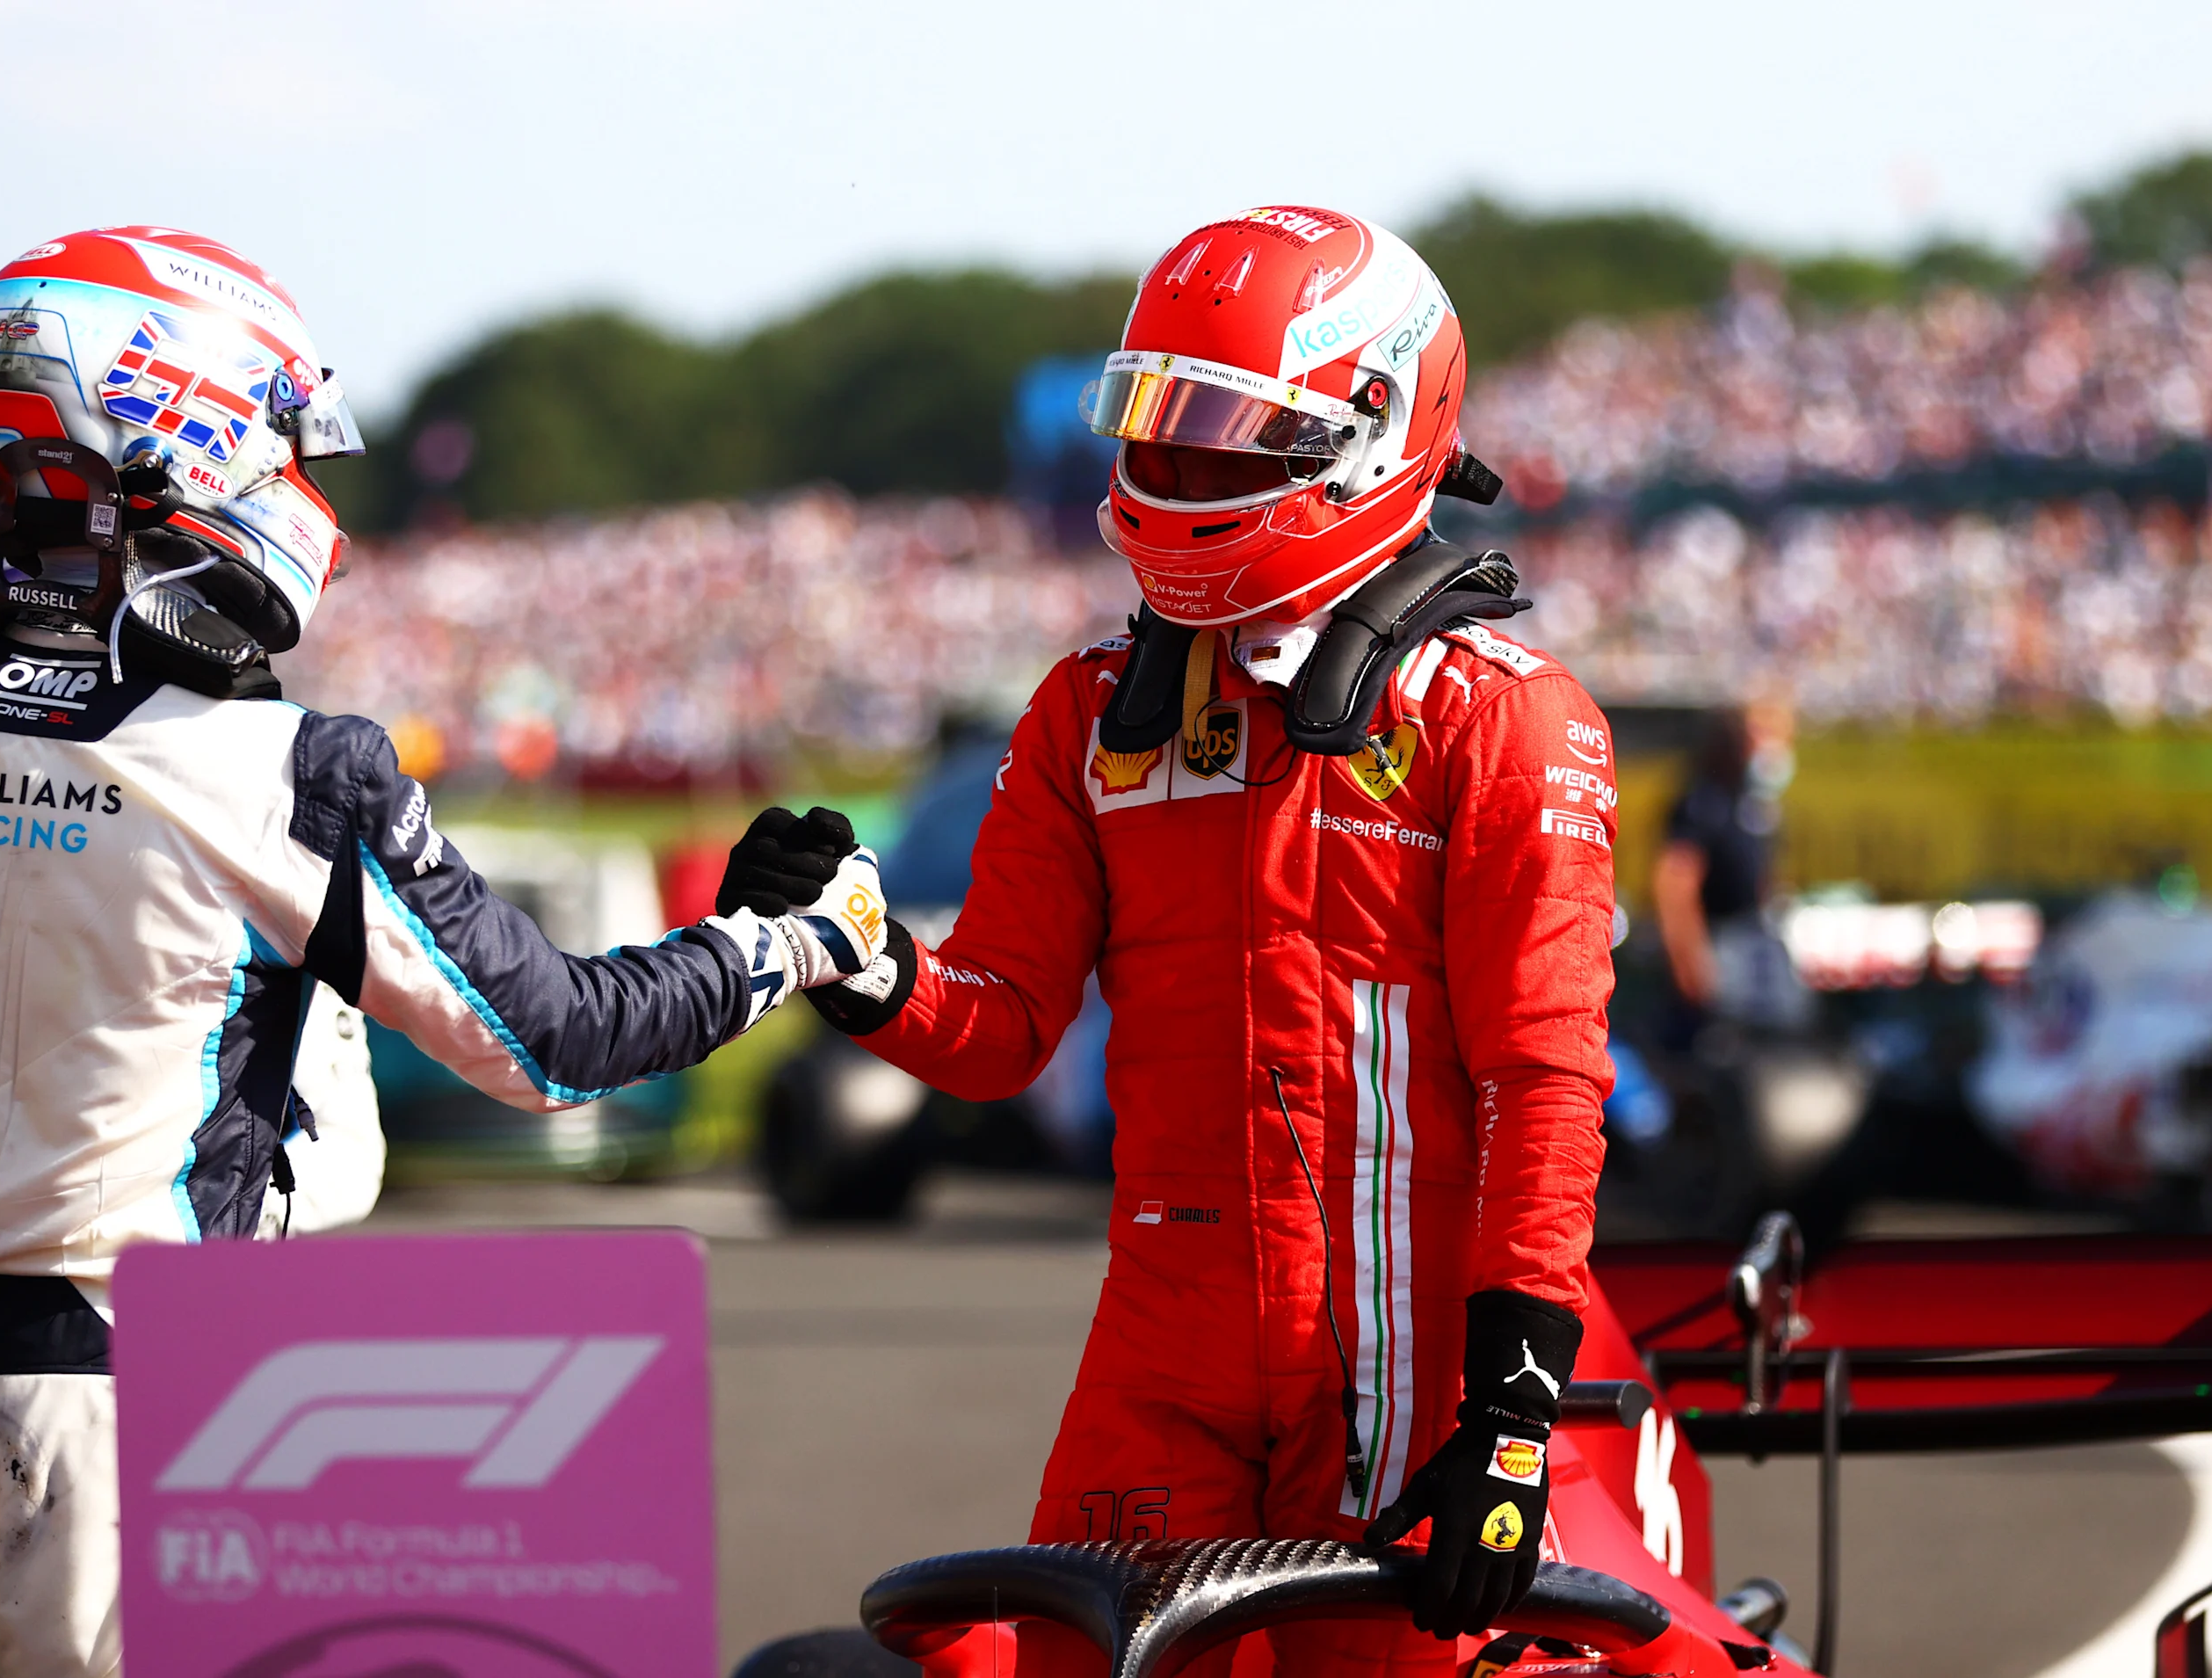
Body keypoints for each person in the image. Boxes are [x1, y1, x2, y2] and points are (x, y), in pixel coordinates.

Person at [0, 226, 886, 1676]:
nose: (298, 481)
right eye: (283, 440)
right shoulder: (287, 768)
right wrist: (795, 937)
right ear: (186, 436)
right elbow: (555, 1043)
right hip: (137, 1422)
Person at [763, 206, 1619, 1671]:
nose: (1175, 470)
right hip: (1163, 1348)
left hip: (1414, 1371)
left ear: (1364, 429)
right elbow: (997, 1028)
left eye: (1227, 433)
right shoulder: (1089, 710)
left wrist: (1516, 1410)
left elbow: (1539, 1075)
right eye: (1159, 426)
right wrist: (864, 962)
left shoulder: (1504, 716)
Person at [1649, 699, 1805, 1038]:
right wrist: (1691, 965)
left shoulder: (1754, 804)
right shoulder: (1703, 803)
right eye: (1761, 735)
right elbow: (1675, 888)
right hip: (1720, 947)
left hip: (1756, 947)